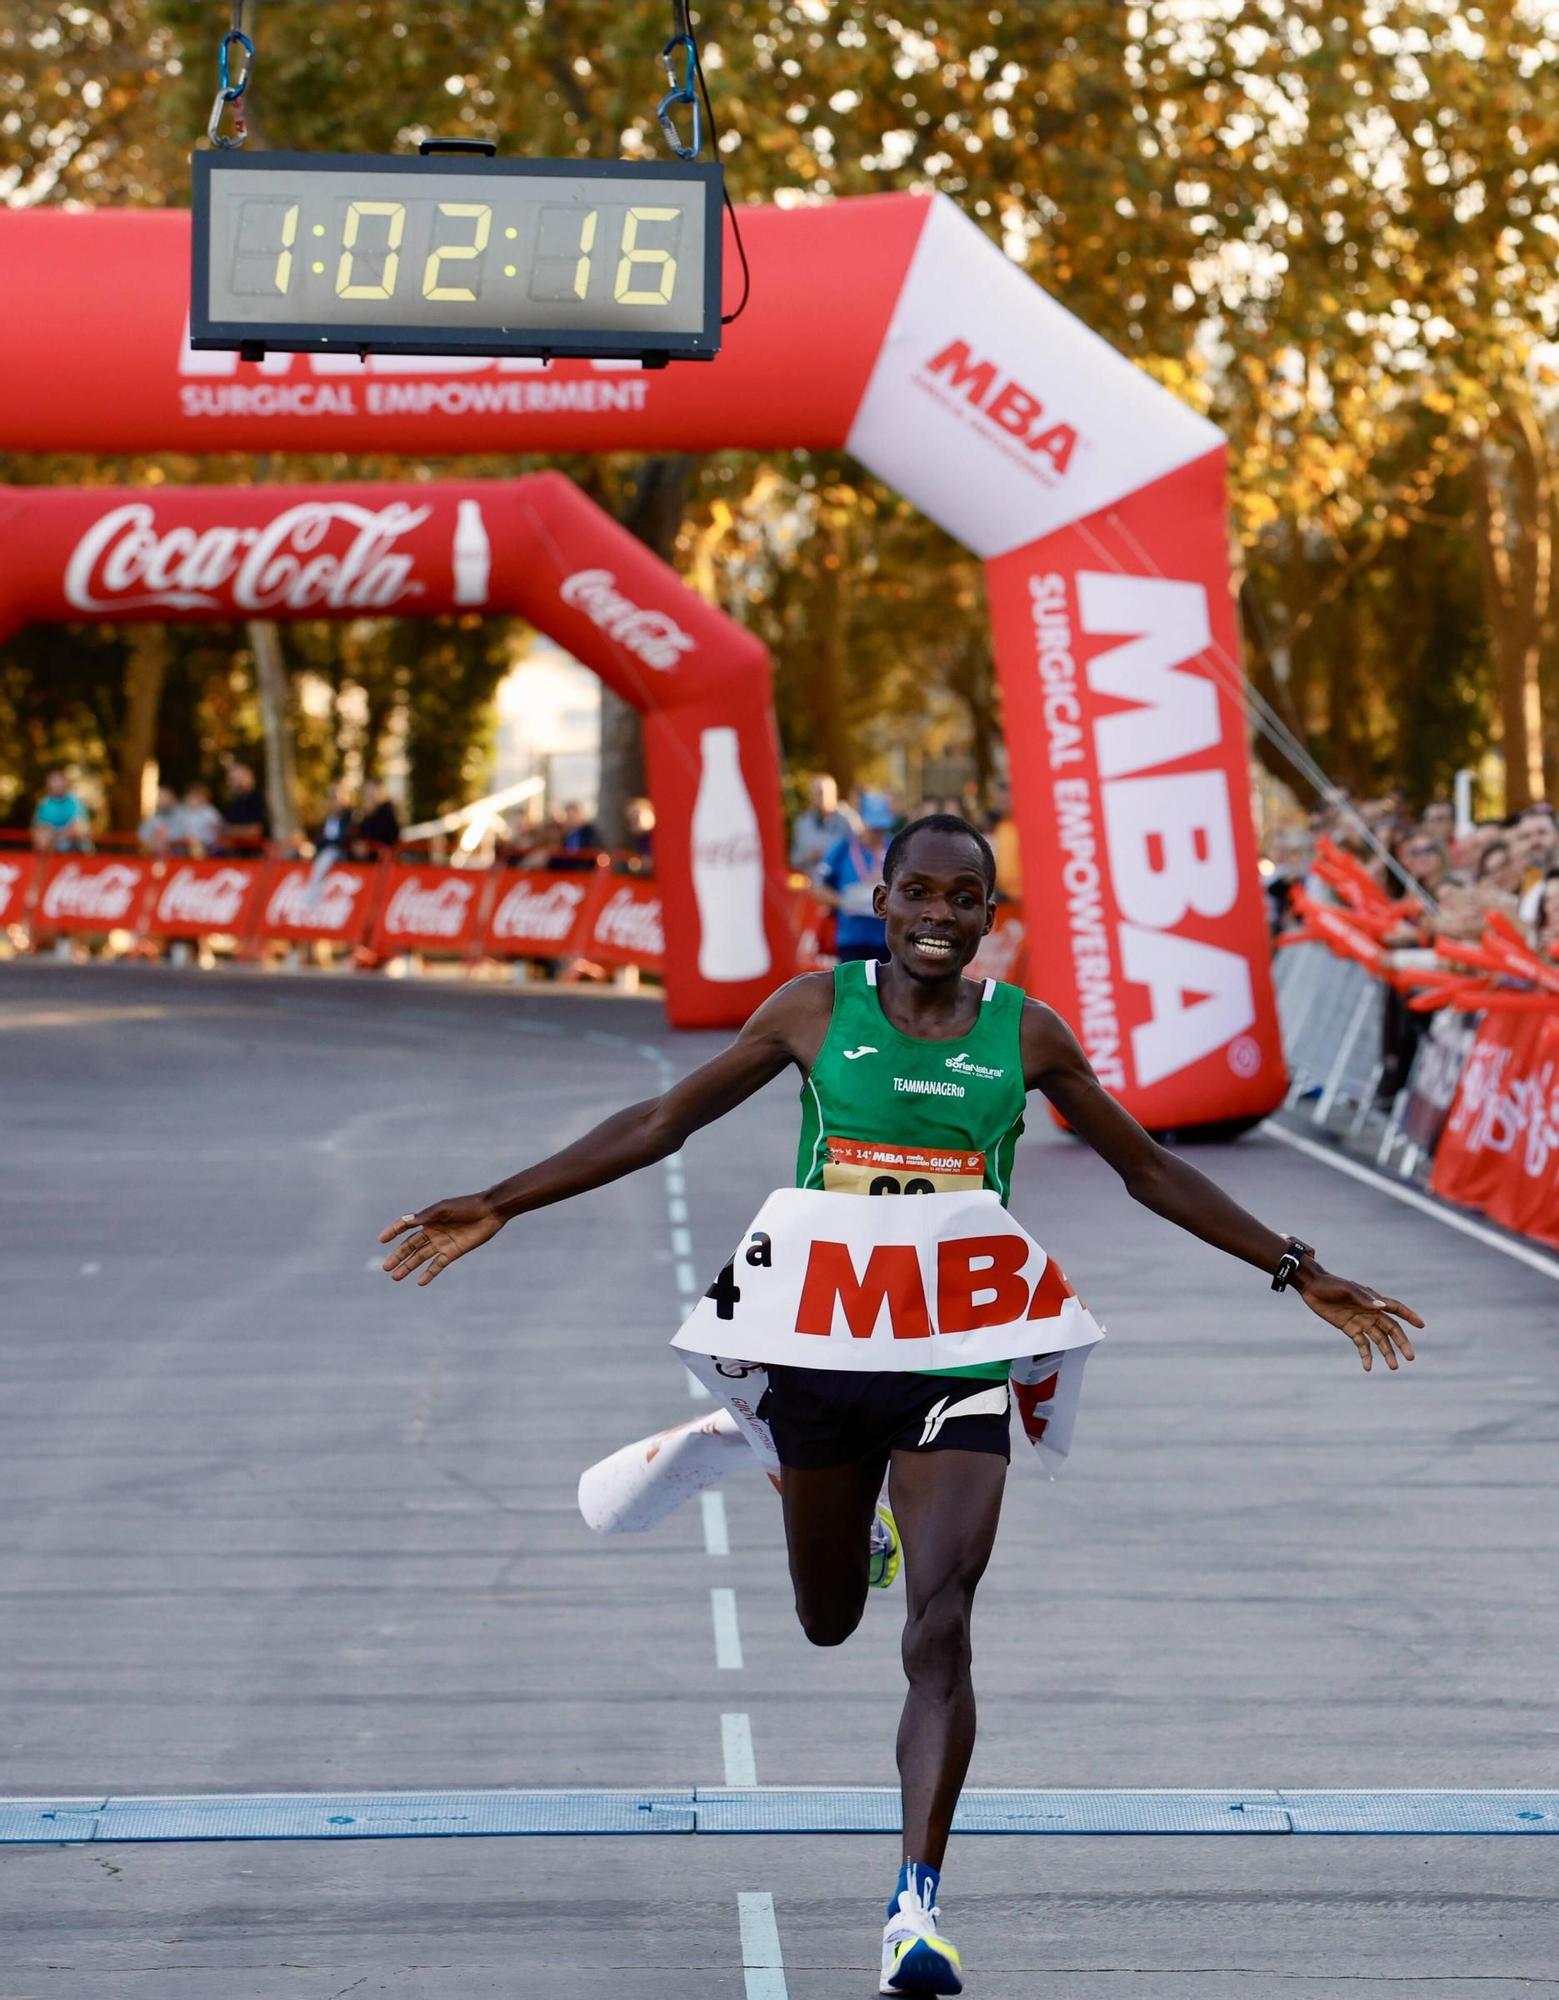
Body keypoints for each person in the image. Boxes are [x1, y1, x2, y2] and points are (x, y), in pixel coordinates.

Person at [379, 812, 1421, 1998]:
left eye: (960, 899)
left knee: (941, 1621)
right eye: (916, 894)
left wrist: (1295, 1267)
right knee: (828, 1618)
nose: (936, 916)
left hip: (958, 1353)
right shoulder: (813, 1010)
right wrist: (505, 1199)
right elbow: (661, 1121)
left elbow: (1148, 1167)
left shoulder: (1024, 1035)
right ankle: (755, 1438)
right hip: (817, 1350)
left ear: (989, 915)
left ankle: (913, 1905)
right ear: (880, 898)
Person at [813, 793, 896, 962]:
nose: (878, 833)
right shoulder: (842, 849)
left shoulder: (897, 847)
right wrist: (846, 901)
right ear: (862, 821)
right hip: (851, 941)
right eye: (874, 827)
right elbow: (818, 888)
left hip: (889, 941)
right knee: (854, 989)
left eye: (882, 828)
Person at [790, 773, 857, 875]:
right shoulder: (802, 822)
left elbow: (860, 854)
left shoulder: (848, 819)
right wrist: (807, 857)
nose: (820, 797)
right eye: (815, 793)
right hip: (808, 882)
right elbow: (794, 860)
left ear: (835, 793)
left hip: (840, 883)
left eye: (823, 792)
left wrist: (831, 854)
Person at [31, 769, 91, 853]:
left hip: (72, 841)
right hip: (52, 841)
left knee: (80, 827)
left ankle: (84, 858)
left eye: (60, 780)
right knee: (42, 833)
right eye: (54, 781)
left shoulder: (75, 801)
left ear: (65, 782)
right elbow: (37, 828)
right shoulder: (44, 804)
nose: (57, 784)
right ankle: (45, 862)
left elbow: (81, 826)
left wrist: (63, 834)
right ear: (48, 784)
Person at [221, 762, 271, 852]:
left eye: (240, 777)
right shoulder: (234, 801)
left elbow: (255, 831)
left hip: (256, 856)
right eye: (232, 779)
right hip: (236, 856)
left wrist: (229, 831)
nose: (236, 782)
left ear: (250, 777)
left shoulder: (258, 799)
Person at [354, 779, 401, 857]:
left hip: (379, 862)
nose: (367, 797)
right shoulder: (360, 816)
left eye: (371, 794)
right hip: (360, 862)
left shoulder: (387, 815)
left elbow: (391, 841)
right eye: (365, 794)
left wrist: (369, 847)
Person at [177, 782, 224, 856]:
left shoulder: (210, 812)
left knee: (196, 848)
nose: (192, 799)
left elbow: (218, 831)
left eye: (196, 796)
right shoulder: (182, 812)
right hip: (184, 845)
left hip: (207, 845)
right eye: (190, 796)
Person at [138, 785, 184, 855]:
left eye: (165, 797)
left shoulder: (181, 815)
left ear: (173, 799)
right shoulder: (151, 818)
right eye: (160, 797)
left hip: (178, 853)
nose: (162, 800)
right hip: (154, 852)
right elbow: (143, 836)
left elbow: (184, 834)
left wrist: (166, 839)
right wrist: (154, 840)